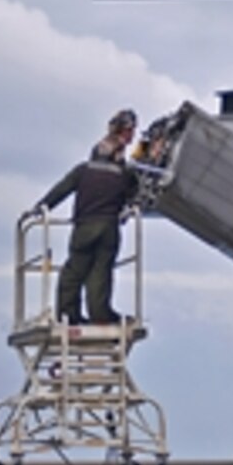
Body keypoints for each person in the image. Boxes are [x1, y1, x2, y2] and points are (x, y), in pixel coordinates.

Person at [27, 109, 140, 324]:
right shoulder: (125, 175)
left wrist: (40, 208)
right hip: (109, 229)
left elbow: (60, 191)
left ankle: (69, 314)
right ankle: (101, 314)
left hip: (85, 227)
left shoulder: (83, 171)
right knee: (101, 273)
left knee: (74, 272)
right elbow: (134, 194)